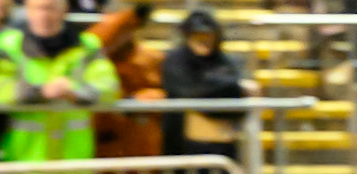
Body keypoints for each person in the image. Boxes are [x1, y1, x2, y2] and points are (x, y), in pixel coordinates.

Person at [0, 0, 118, 162]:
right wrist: (40, 92)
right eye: (37, 8)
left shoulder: (88, 46)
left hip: (74, 161)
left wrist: (74, 91)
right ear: (27, 10)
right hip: (24, 162)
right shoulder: (9, 45)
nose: (44, 15)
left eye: (50, 8)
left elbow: (109, 89)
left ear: (65, 10)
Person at [160, 7, 248, 162]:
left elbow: (236, 93)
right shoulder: (176, 60)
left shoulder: (225, 61)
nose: (204, 40)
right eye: (198, 35)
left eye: (208, 35)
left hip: (223, 140)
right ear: (187, 36)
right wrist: (221, 89)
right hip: (182, 142)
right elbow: (186, 91)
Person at [90, 3, 163, 158]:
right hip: (104, 145)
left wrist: (135, 101)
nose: (119, 35)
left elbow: (164, 93)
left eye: (125, 29)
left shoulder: (150, 58)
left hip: (140, 145)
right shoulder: (91, 59)